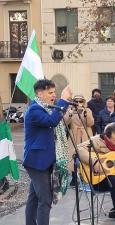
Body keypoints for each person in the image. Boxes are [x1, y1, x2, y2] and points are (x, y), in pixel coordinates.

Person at [23, 79, 72, 225]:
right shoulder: (35, 110)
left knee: (33, 199)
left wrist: (64, 103)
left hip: (43, 161)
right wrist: (63, 101)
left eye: (55, 92)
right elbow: (51, 121)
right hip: (37, 161)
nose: (53, 95)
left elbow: (54, 120)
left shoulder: (47, 108)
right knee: (45, 200)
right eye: (50, 92)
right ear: (40, 93)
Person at [64, 94, 94, 186]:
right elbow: (65, 122)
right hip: (74, 135)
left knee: (86, 156)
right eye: (76, 101)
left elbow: (91, 123)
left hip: (85, 135)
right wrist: (70, 113)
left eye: (80, 101)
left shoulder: (87, 110)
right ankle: (74, 178)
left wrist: (86, 113)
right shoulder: (70, 110)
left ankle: (86, 177)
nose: (78, 103)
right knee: (73, 156)